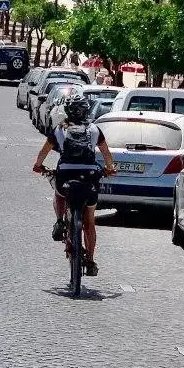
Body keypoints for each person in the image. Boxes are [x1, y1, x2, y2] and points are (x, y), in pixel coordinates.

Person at [32, 90, 117, 276]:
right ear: (87, 112)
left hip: (66, 173)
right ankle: (91, 260)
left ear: (68, 112)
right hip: (89, 176)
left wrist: (38, 166)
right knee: (89, 222)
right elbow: (106, 154)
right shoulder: (95, 130)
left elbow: (44, 151)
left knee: (59, 192)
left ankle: (60, 220)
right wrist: (109, 169)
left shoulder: (60, 130)